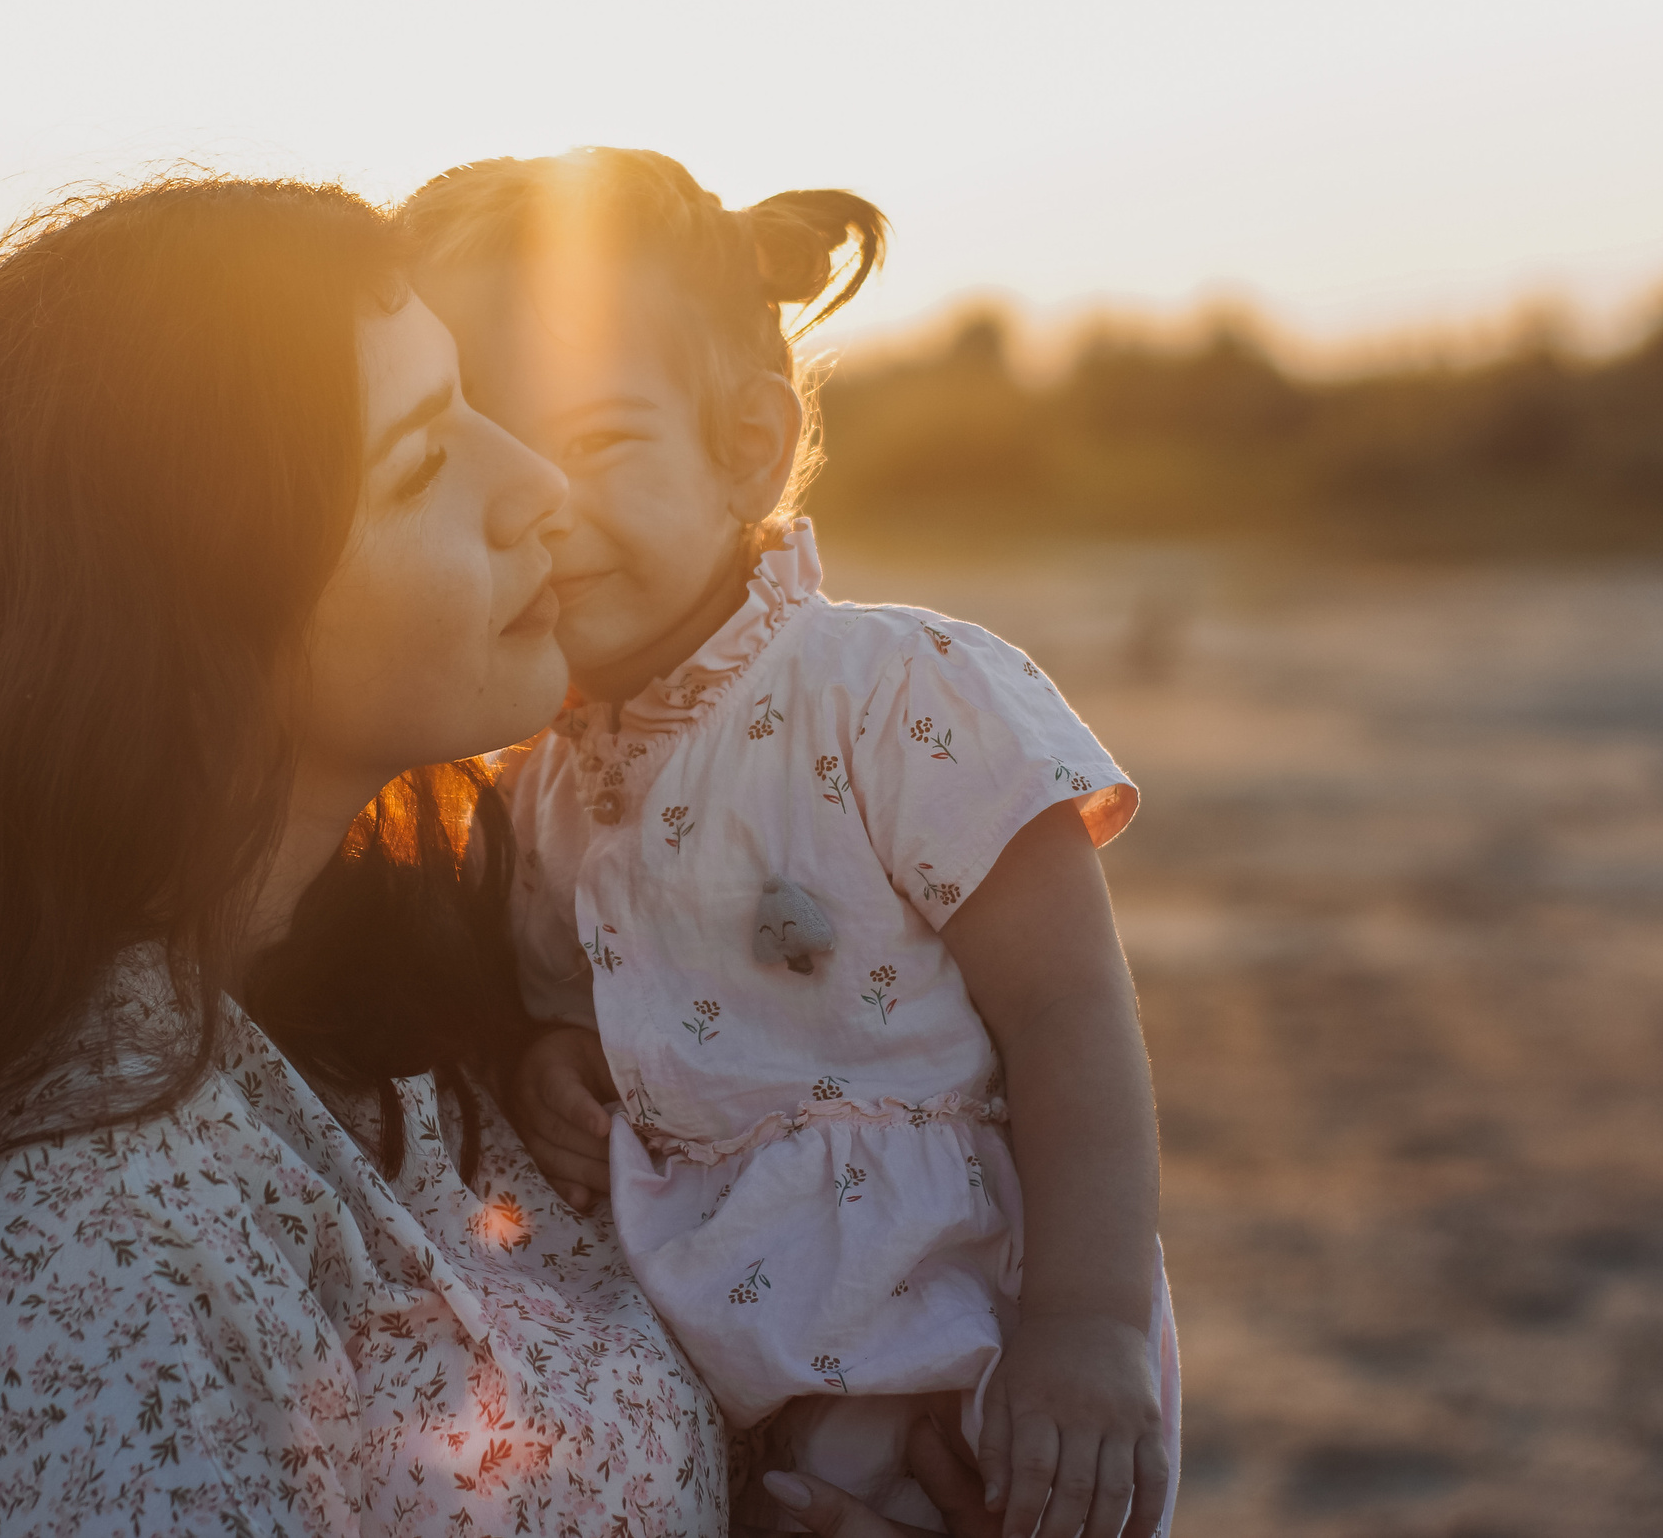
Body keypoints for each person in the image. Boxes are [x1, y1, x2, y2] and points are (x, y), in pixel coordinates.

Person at [0, 178, 778, 1537]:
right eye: (420, 462)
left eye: (478, 400)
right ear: (199, 630)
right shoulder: (102, 1248)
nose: (534, 484)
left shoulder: (436, 971)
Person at [402, 149, 1182, 1537]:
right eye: (497, 456)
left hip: (978, 1376)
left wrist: (1088, 1324)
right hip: (723, 1415)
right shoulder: (540, 794)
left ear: (747, 446)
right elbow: (577, 1023)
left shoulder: (894, 692)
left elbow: (1071, 1009)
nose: (544, 507)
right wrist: (546, 1064)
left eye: (598, 445)